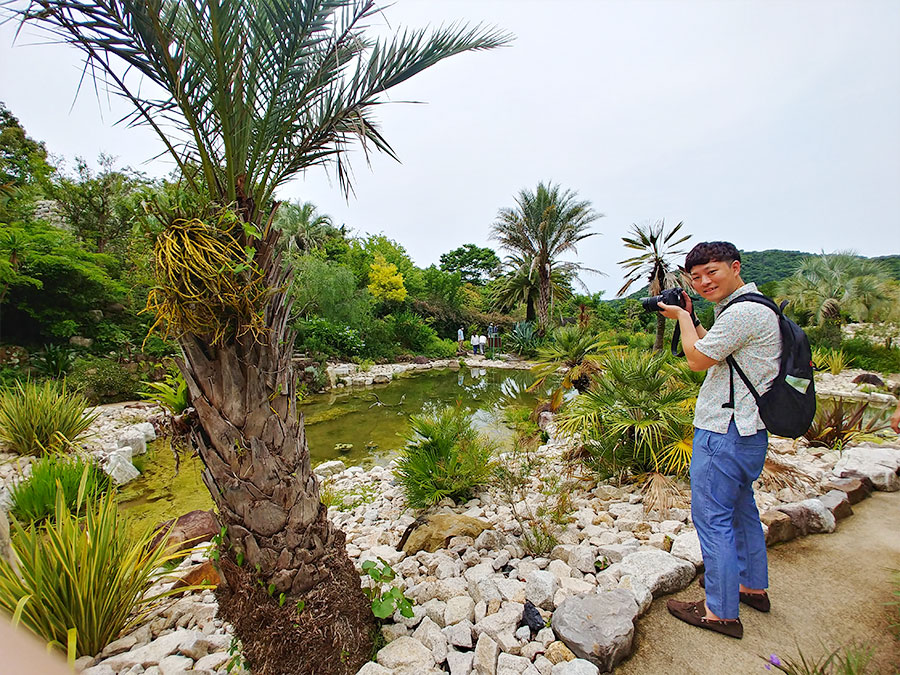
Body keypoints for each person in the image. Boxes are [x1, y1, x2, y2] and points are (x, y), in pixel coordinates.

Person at [657, 241, 780, 640]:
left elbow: (695, 360)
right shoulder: (758, 308)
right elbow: (717, 350)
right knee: (742, 510)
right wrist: (693, 318)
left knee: (713, 519)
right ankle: (751, 587)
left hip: (724, 431)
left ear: (735, 266)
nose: (704, 281)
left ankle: (720, 611)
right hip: (749, 433)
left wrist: (679, 317)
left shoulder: (742, 312)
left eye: (713, 272)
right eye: (696, 277)